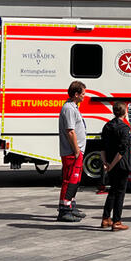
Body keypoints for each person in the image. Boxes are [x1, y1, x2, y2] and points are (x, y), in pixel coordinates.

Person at [100, 101, 131, 231]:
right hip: (121, 164)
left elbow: (102, 146)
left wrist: (105, 163)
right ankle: (117, 221)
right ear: (125, 112)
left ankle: (106, 218)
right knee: (120, 193)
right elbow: (122, 150)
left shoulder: (107, 126)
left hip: (109, 162)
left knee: (112, 191)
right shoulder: (124, 128)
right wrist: (112, 165)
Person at [57, 81, 87, 222]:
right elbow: (70, 132)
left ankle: (71, 206)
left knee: (75, 180)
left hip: (77, 151)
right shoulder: (69, 109)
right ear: (76, 94)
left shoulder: (73, 107)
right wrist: (76, 150)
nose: (84, 96)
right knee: (69, 180)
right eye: (83, 94)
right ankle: (64, 210)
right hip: (72, 152)